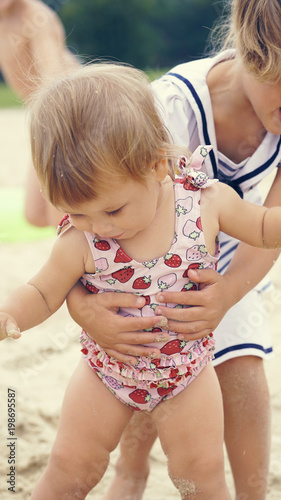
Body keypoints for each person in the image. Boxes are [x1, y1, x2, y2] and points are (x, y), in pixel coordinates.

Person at [1, 63, 281, 499]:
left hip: (187, 371)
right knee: (72, 469)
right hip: (108, 371)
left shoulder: (205, 203)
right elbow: (42, 290)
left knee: (201, 476)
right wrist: (10, 315)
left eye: (112, 211)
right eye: (76, 213)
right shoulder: (81, 239)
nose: (98, 227)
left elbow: (264, 228)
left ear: (156, 167)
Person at [65, 1, 281, 499]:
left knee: (242, 359)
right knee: (148, 350)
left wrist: (225, 295)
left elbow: (269, 232)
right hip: (141, 262)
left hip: (231, 256)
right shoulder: (169, 106)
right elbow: (86, 229)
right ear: (252, 54)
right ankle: (131, 470)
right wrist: (85, 308)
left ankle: (252, 493)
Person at [0, 0, 79, 227]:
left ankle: (77, 257)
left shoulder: (35, 18)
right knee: (35, 215)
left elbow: (52, 78)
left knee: (60, 214)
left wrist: (51, 134)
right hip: (41, 114)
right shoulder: (4, 19)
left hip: (65, 111)